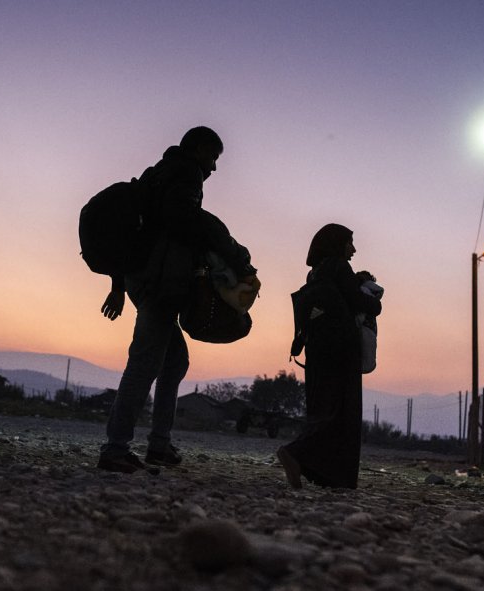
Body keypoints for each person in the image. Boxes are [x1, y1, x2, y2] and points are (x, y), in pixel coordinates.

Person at [97, 126, 257, 473]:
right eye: (212, 157)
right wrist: (231, 251)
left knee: (173, 362)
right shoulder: (184, 174)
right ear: (198, 149)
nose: (213, 168)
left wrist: (119, 286)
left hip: (144, 280)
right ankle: (115, 448)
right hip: (159, 284)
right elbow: (183, 222)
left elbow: (141, 232)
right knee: (145, 363)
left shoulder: (157, 176)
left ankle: (158, 445)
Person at [277, 224, 382, 489]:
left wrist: (355, 283)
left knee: (324, 408)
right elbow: (360, 303)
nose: (354, 249)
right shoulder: (338, 266)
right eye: (350, 242)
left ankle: (319, 471)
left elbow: (342, 295)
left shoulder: (317, 272)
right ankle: (297, 454)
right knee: (341, 413)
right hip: (341, 350)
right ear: (337, 243)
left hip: (318, 350)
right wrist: (375, 301)